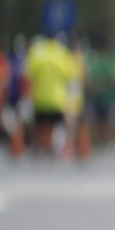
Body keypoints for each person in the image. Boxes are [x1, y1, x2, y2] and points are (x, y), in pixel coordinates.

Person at [23, 31, 84, 160]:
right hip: (57, 100)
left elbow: (28, 77)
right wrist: (73, 104)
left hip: (39, 99)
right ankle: (66, 147)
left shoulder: (37, 52)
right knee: (62, 124)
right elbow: (72, 80)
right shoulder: (62, 53)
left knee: (41, 127)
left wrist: (27, 98)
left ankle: (39, 149)